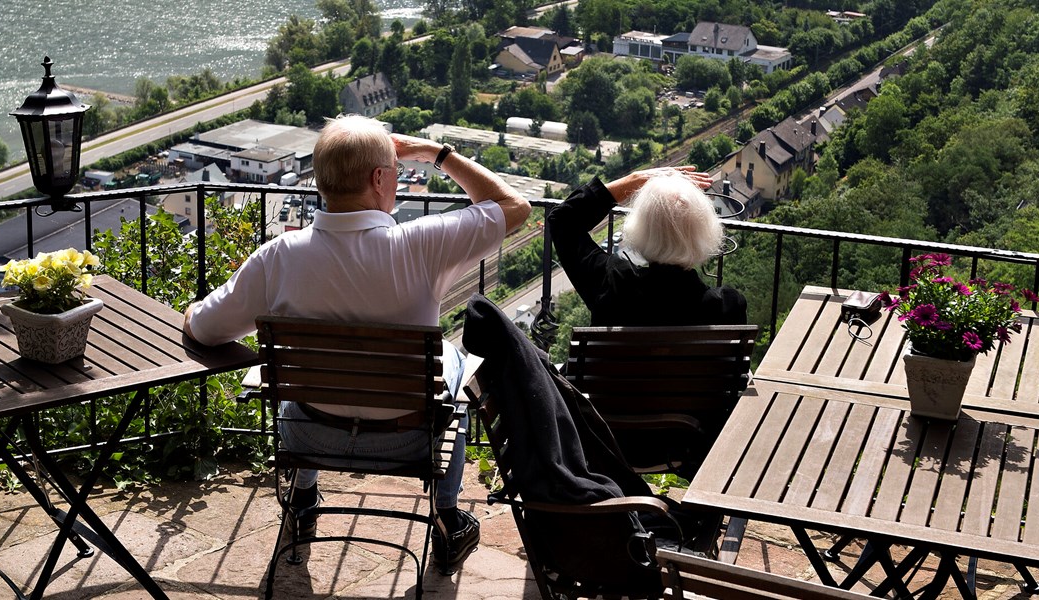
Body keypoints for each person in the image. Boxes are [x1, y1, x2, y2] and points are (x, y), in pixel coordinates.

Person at [183, 114, 531, 575]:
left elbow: (204, 331)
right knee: (456, 368)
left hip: (307, 435)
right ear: (380, 178)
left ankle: (303, 494)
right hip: (407, 443)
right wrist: (435, 154)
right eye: (395, 172)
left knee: (304, 382)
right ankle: (446, 517)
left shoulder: (278, 258)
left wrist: (191, 312)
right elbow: (516, 206)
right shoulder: (423, 244)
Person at [547, 167, 746, 326]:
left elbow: (562, 220)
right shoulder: (727, 307)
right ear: (704, 233)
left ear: (639, 229)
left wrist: (634, 180)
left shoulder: (612, 286)